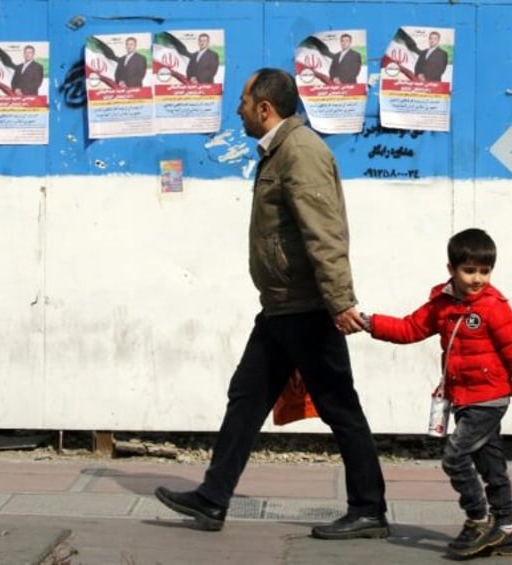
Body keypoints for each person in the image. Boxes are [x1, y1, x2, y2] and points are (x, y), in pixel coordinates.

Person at [154, 68, 389, 540]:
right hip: (281, 306)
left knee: (339, 406)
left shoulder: (299, 153)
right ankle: (213, 497)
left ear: (265, 108)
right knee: (246, 397)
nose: (237, 109)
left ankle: (369, 510)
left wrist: (340, 300)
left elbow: (324, 230)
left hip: (306, 307)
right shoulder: (280, 151)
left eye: (243, 101)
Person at [362, 228, 512, 559]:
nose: (477, 279)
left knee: (455, 456)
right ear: (451, 269)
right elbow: (409, 328)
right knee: (492, 466)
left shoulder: (493, 307)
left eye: (485, 271)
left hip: (489, 399)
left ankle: (479, 519)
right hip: (462, 397)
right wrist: (368, 322)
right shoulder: (442, 305)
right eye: (469, 270)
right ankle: (505, 531)